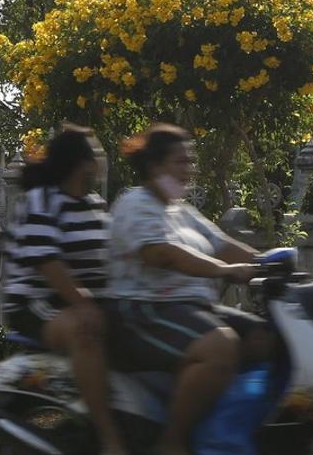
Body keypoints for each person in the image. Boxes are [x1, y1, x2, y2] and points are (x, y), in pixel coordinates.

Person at [108, 124, 262, 455]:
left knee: (267, 338)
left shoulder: (182, 212)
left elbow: (222, 245)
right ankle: (172, 443)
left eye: (190, 161)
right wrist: (224, 271)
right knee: (221, 347)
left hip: (191, 308)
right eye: (180, 161)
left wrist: (271, 263)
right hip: (142, 310)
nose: (188, 169)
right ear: (154, 166)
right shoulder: (135, 203)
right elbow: (161, 253)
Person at [4, 126, 127, 455]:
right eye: (97, 153)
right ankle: (108, 437)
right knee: (86, 331)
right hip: (37, 302)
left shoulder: (95, 204)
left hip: (82, 301)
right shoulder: (42, 200)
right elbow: (47, 262)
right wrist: (84, 303)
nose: (102, 159)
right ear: (83, 163)